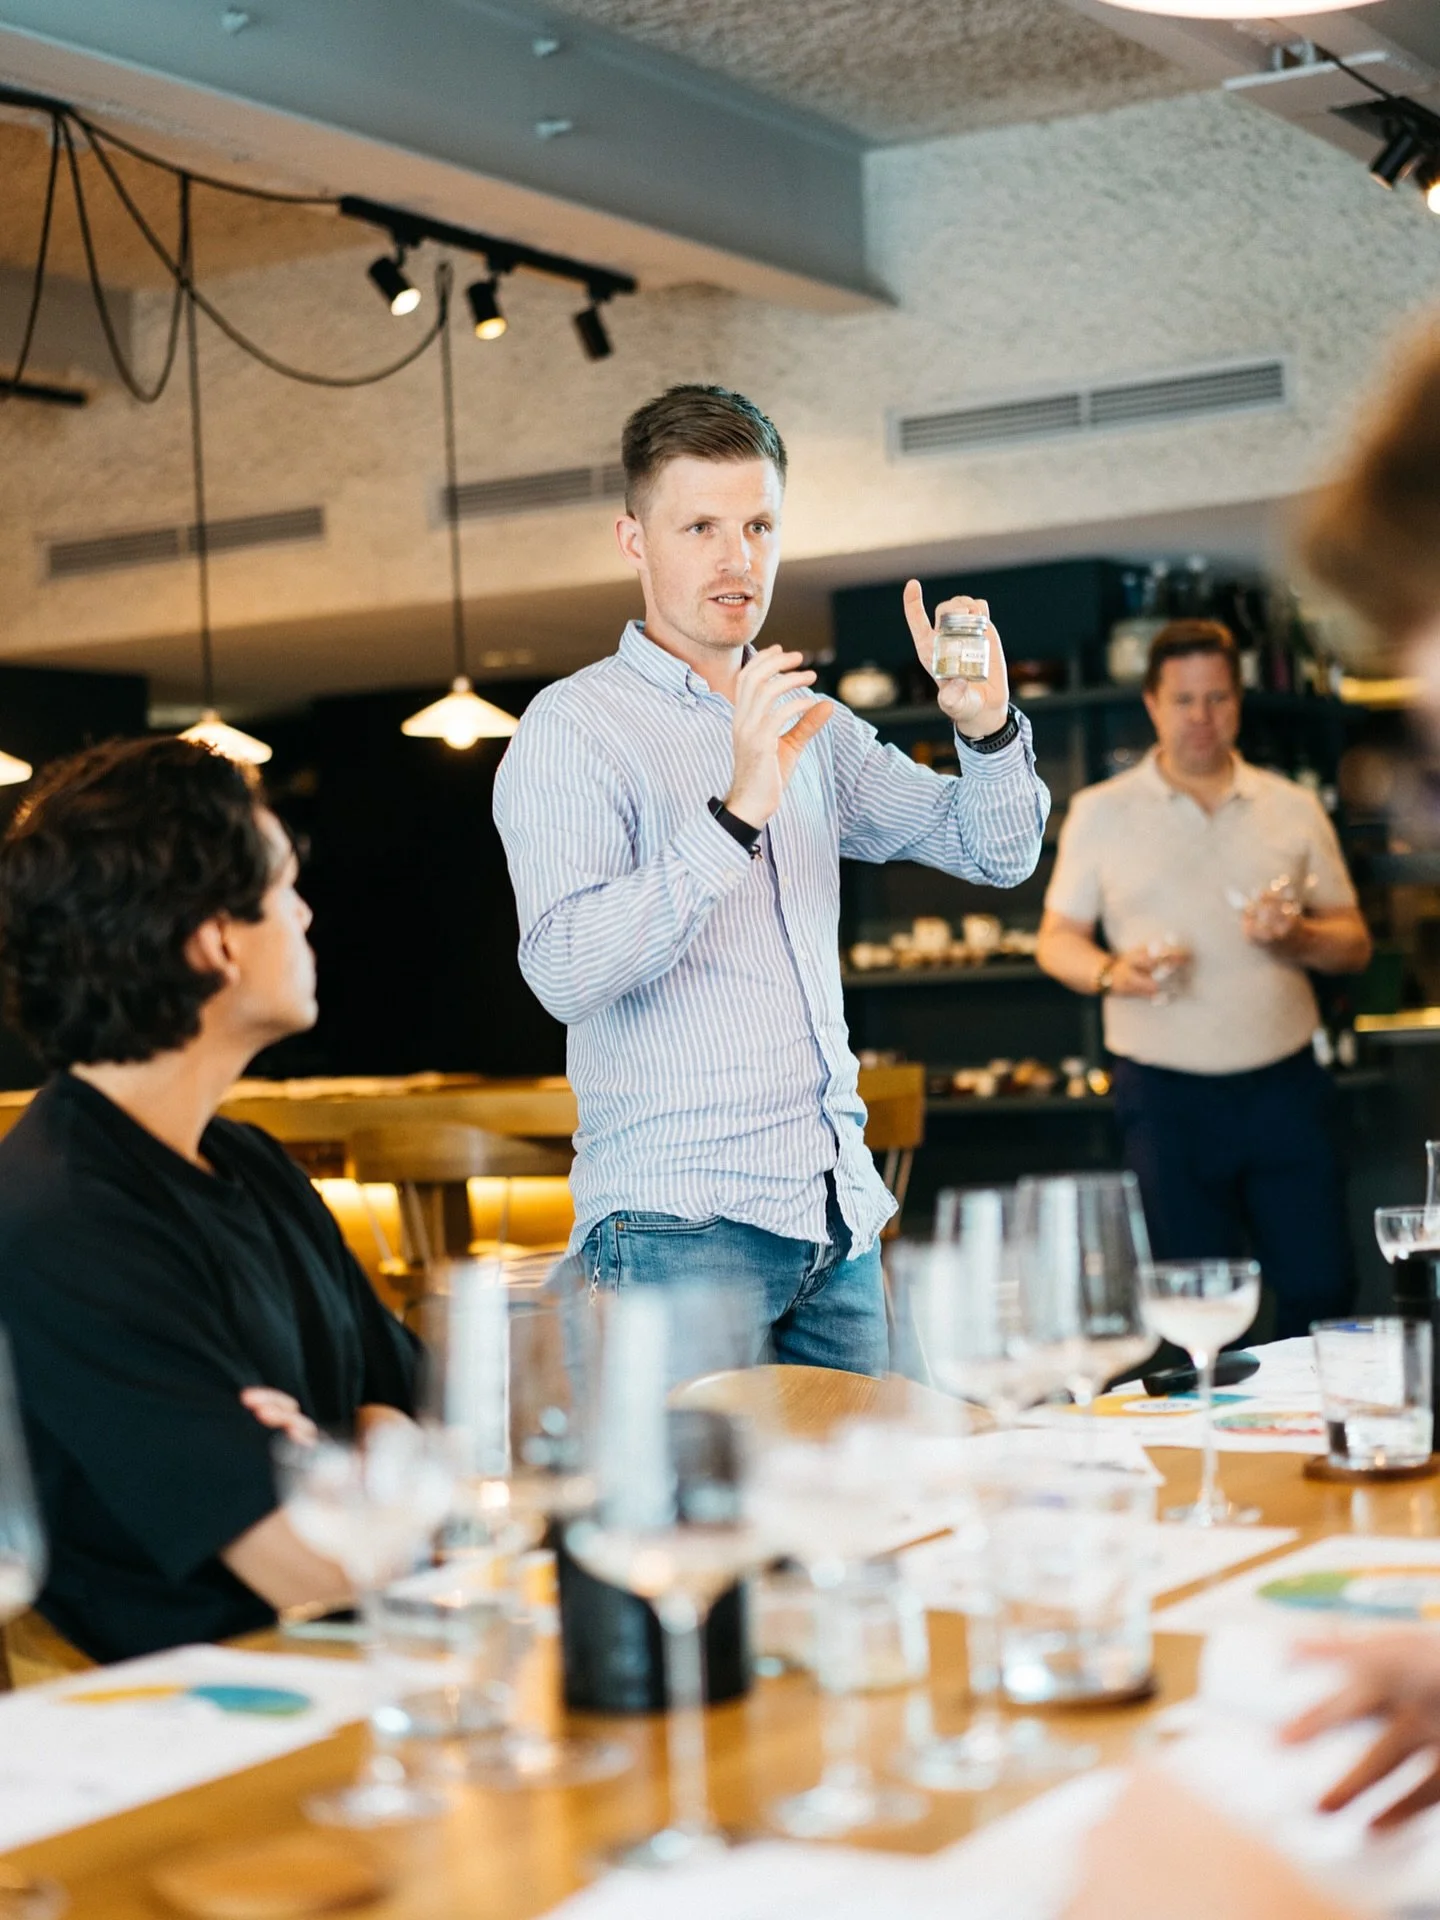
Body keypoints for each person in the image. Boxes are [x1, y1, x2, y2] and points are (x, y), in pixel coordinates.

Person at [494, 383, 1050, 1373]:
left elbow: (994, 851)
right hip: (673, 1233)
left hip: (833, 1229)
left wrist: (986, 729)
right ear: (635, 540)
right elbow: (565, 969)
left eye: (757, 523)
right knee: (689, 1534)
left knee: (858, 1528)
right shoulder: (573, 730)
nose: (736, 557)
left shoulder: (813, 725)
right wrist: (737, 811)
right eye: (700, 525)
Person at [0, 738, 418, 1663]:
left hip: (363, 1676)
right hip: (216, 1727)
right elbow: (311, 1567)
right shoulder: (61, 1220)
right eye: (283, 888)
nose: (306, 913)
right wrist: (369, 1455)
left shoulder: (253, 1163)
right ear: (215, 940)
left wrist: (346, 1454)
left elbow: (436, 1416)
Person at [1036, 618, 1371, 1339]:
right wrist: (1112, 972)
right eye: (1184, 700)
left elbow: (1354, 946)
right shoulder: (1099, 812)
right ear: (1153, 704)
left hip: (1286, 1085)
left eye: (1218, 699)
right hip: (1164, 1095)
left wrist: (1302, 935)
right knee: (1190, 1309)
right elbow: (1055, 941)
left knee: (1324, 1284)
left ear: (1238, 703)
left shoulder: (1293, 806)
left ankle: (1310, 1446)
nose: (1201, 717)